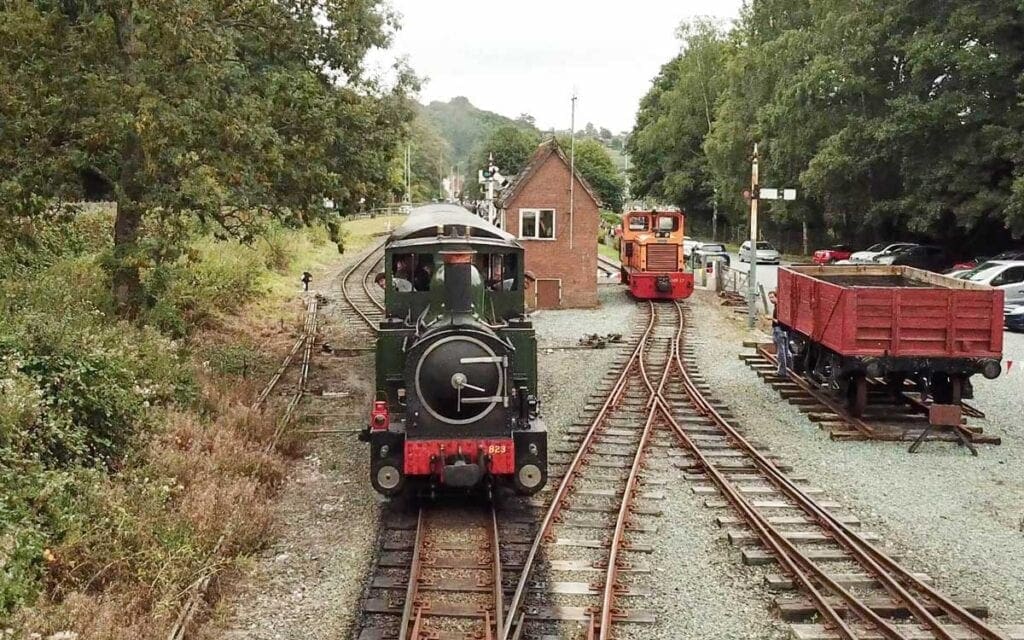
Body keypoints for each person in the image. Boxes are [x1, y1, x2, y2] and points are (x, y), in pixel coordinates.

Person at [769, 290, 790, 377]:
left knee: (781, 352)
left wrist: (771, 318)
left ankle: (782, 371)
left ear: (777, 297)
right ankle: (789, 369)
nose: (770, 299)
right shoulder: (779, 307)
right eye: (769, 298)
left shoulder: (778, 308)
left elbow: (779, 321)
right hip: (783, 331)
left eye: (772, 297)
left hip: (779, 330)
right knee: (785, 351)